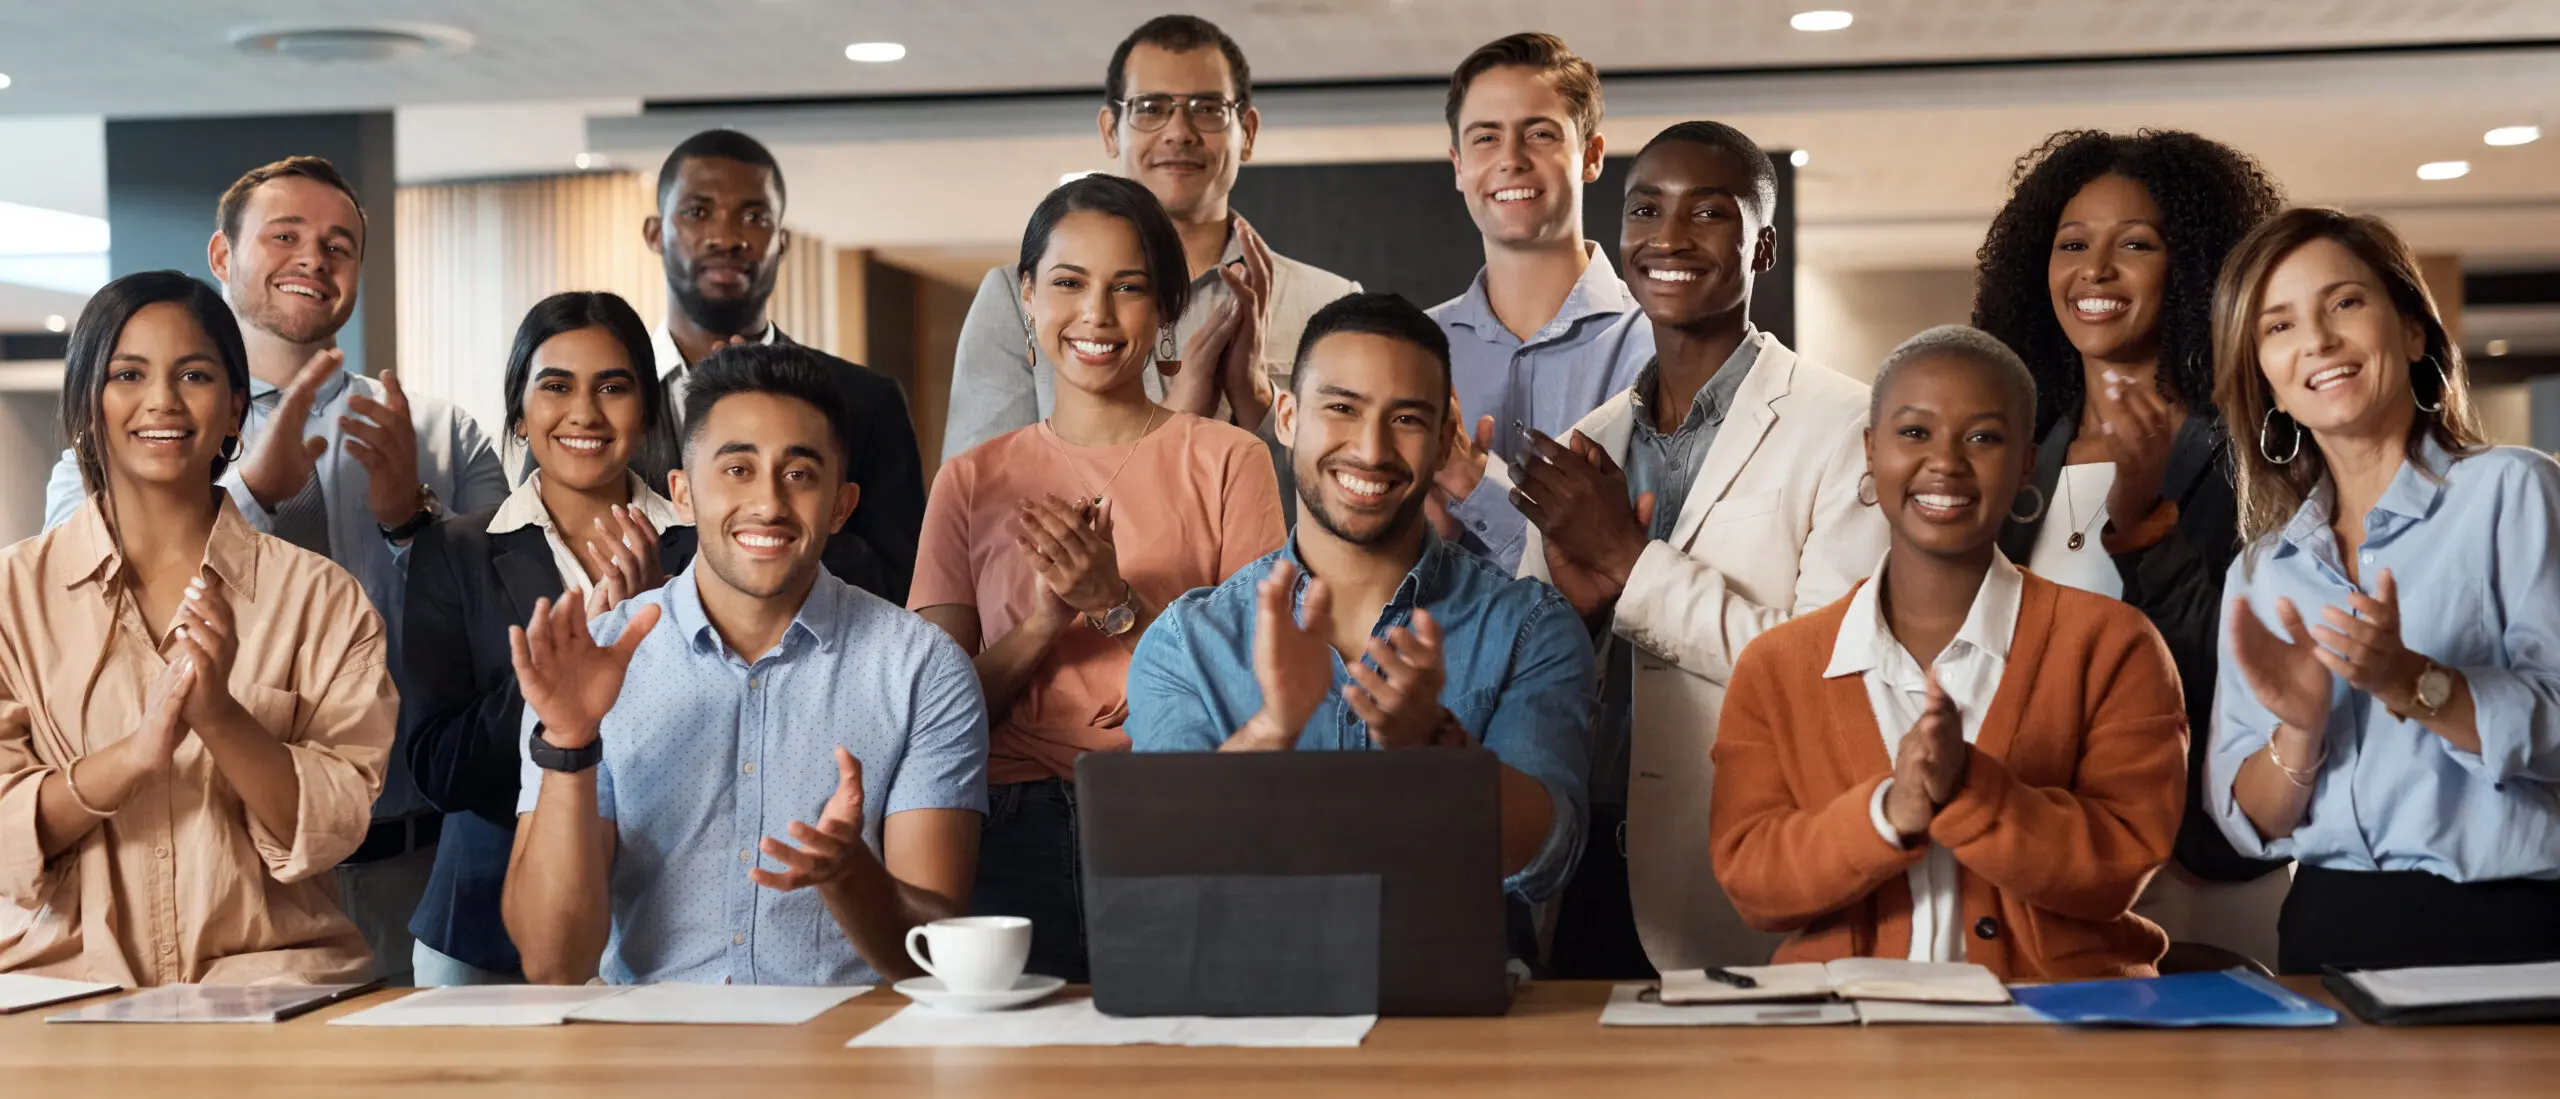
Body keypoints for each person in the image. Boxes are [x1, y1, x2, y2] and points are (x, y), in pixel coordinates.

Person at [41, 156, 508, 986]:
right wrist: (251, 494)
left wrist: (409, 519)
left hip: (417, 854)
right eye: (284, 235)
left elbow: (500, 635)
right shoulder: (104, 456)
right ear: (223, 257)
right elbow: (82, 626)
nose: (313, 259)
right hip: (207, 872)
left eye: (338, 245)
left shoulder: (438, 432)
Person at [1516, 122, 1887, 974]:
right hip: (1575, 879)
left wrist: (1632, 562)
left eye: (1709, 212)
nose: (1670, 237)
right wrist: (1576, 612)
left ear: (1762, 247)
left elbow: (1832, 675)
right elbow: (1537, 683)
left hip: (1735, 872)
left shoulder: (1849, 426)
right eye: (1646, 209)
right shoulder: (1587, 446)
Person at [1710, 326, 2187, 980]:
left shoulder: (2115, 646)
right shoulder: (1776, 666)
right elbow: (1753, 879)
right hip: (1846, 1038)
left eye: (1983, 437)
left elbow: (2120, 864)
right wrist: (1891, 811)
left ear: (2025, 462)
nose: (1946, 462)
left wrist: (1970, 790)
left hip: (2058, 1036)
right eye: (1913, 433)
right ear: (1870, 454)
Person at [502, 344, 987, 986]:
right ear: (681, 493)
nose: (768, 503)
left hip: (848, 1060)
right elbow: (554, 963)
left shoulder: (923, 669)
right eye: (736, 469)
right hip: (652, 1059)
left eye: (801, 475)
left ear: (841, 506)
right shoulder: (594, 661)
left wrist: (850, 877)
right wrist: (568, 740)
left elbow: (933, 958)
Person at [1125, 293, 1594, 940]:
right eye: (1341, 408)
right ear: (1287, 416)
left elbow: (1550, 860)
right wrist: (1270, 729)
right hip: (1245, 1015)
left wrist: (1437, 752)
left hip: (1459, 1024)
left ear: (1441, 440)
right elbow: (1163, 870)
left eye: (1405, 418)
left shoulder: (1529, 627)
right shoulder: (1185, 642)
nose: (1371, 450)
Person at [914, 176, 1286, 982]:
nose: (1096, 315)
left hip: (1177, 811)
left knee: (1181, 1054)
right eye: (1069, 284)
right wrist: (1045, 623)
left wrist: (1118, 607)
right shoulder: (970, 481)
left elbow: (1260, 690)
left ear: (1165, 310)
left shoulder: (1231, 461)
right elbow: (935, 716)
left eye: (1129, 288)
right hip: (1006, 824)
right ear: (1026, 297)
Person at [0, 271, 395, 984]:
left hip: (272, 988)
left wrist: (221, 717)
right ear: (88, 404)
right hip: (61, 988)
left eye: (194, 374)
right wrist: (131, 758)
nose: (162, 401)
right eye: (128, 374)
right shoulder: (10, 599)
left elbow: (336, 829)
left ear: (236, 408)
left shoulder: (323, 600)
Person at [2207, 208, 2560, 975]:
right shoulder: (2263, 570)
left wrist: (2411, 682)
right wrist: (2300, 729)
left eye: (2344, 303)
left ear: (2411, 331)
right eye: (2279, 326)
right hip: (2326, 928)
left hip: (2508, 928)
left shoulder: (2513, 492)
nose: (2319, 341)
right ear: (2263, 376)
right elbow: (2252, 820)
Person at [1972, 129, 2291, 967]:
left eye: (2136, 245)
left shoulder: (2255, 458)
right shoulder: (2016, 459)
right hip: (2044, 867)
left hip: (2202, 866)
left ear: (2194, 270)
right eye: (2072, 244)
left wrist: (2148, 527)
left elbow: (2258, 675)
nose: (2095, 271)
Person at [402, 292, 697, 987]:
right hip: (481, 933)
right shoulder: (456, 551)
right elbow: (439, 766)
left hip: (668, 918)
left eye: (613, 387)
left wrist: (649, 618)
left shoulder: (701, 549)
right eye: (556, 386)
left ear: (647, 412)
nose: (585, 413)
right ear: (519, 411)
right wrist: (574, 662)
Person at [944, 13, 1360, 463]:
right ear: (1110, 131)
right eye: (1150, 108)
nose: (1180, 132)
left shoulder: (1330, 303)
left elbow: (1346, 499)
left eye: (1207, 109)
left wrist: (1257, 397)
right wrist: (1178, 417)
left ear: (1249, 133)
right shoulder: (1020, 299)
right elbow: (986, 504)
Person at [644, 128, 926, 604]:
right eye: (697, 212)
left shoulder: (866, 400)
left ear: (781, 240)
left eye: (754, 217)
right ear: (656, 233)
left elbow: (898, 581)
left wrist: (758, 545)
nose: (726, 237)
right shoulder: (593, 403)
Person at [1427, 32, 1656, 573]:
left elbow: (1636, 565)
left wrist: (1469, 478)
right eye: (1486, 138)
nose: (1510, 160)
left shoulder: (1656, 351)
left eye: (1539, 133)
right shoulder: (1414, 350)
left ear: (1591, 156)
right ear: (1458, 165)